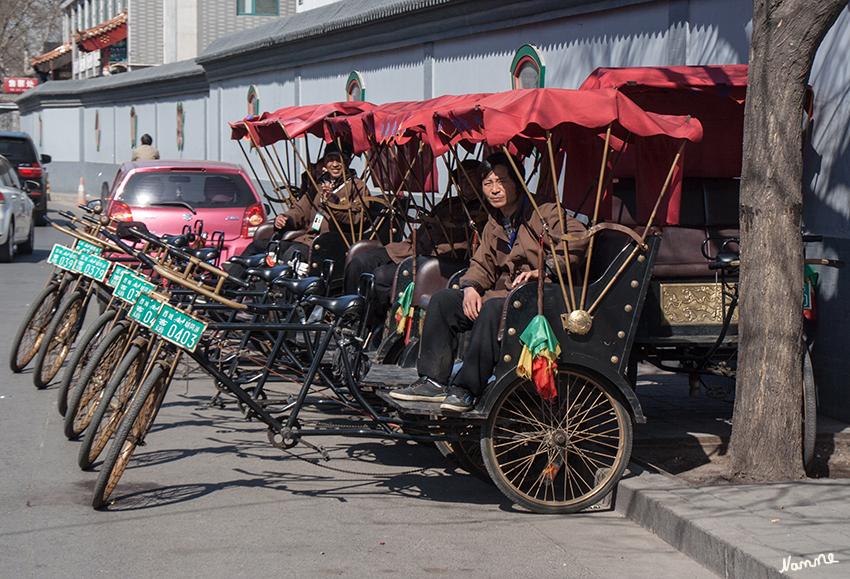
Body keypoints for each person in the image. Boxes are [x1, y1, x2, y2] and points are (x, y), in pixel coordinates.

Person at [390, 153, 589, 412]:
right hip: (512, 295)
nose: (494, 189)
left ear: (517, 183)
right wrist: (470, 286)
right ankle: (433, 382)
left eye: (501, 181)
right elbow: (481, 263)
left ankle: (467, 389)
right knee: (444, 300)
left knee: (495, 309)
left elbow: (578, 237)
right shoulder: (494, 221)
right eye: (487, 183)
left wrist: (545, 268)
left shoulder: (544, 210)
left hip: (544, 295)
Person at [342, 159, 486, 334]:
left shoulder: (484, 210)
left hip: (437, 261)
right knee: (360, 261)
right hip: (410, 248)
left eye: (470, 177)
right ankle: (349, 317)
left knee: (379, 277)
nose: (465, 182)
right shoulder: (449, 203)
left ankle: (372, 327)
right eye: (461, 178)